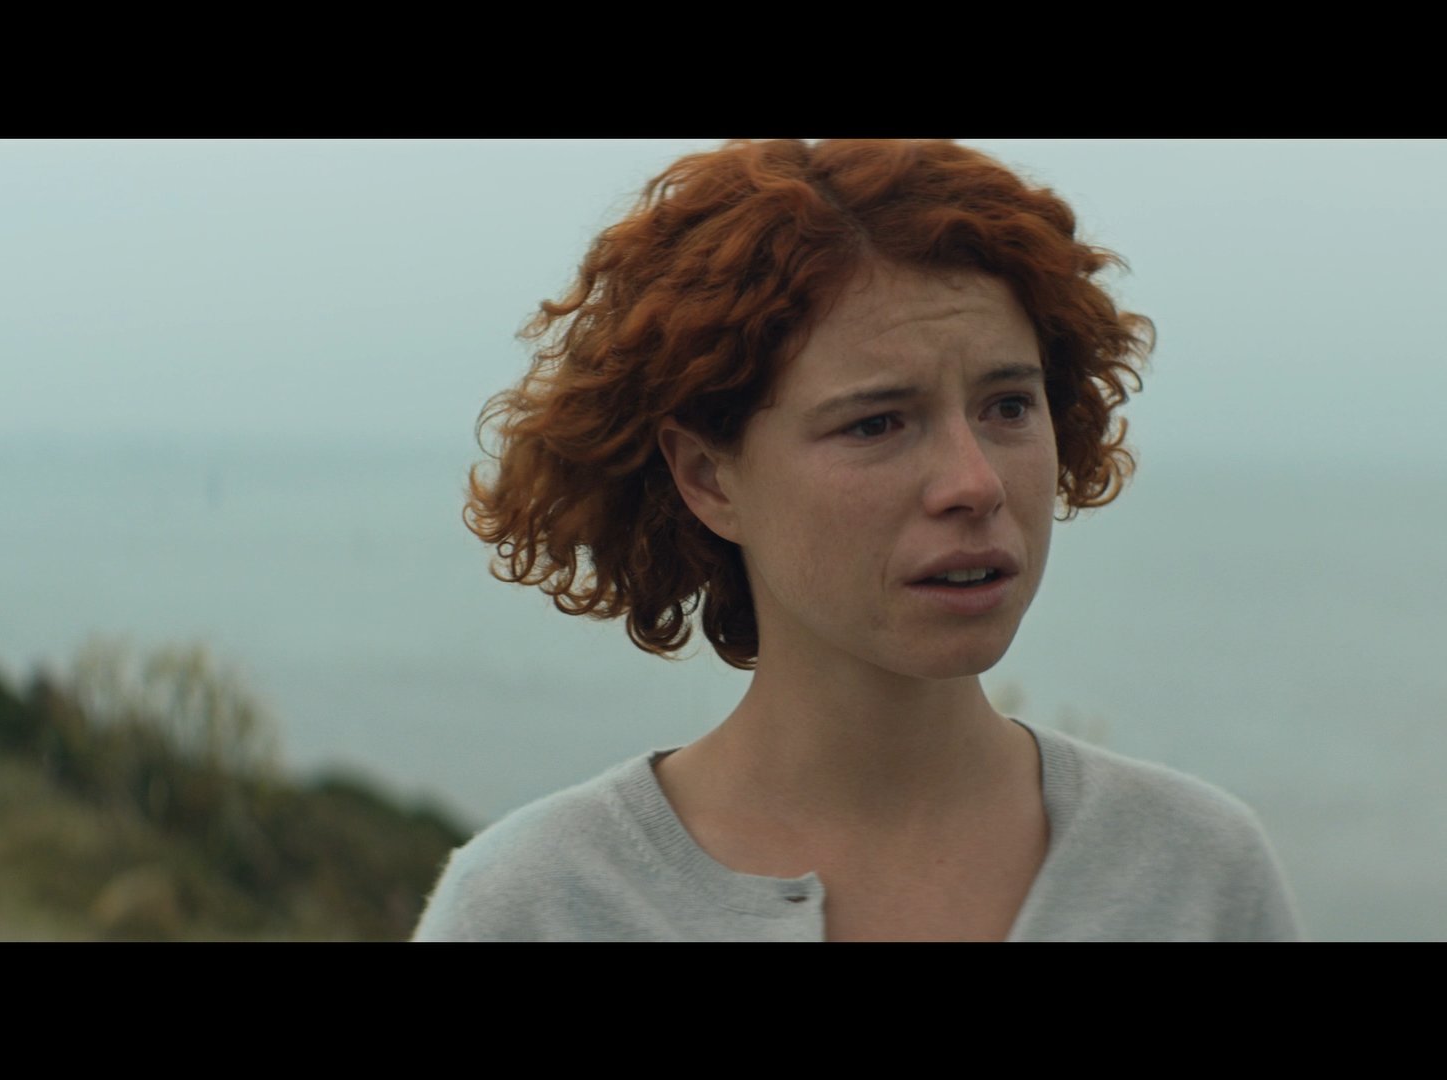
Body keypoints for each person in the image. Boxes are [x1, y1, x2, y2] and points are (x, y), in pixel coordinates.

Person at [413, 139, 1300, 941]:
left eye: (1007, 406)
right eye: (877, 423)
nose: (976, 483)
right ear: (709, 478)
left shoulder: (1198, 874)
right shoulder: (541, 906)